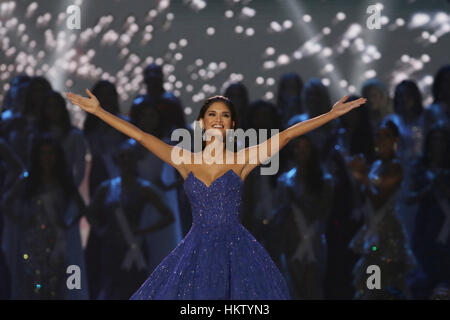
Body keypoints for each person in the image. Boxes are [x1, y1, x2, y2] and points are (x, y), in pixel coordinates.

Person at [66, 89, 366, 299]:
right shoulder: (185, 160)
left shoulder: (243, 158)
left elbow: (287, 135)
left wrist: (329, 114)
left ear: (232, 124)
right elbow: (140, 136)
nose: (218, 119)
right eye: (212, 114)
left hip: (237, 250)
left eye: (224, 115)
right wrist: (99, 112)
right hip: (196, 249)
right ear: (202, 122)